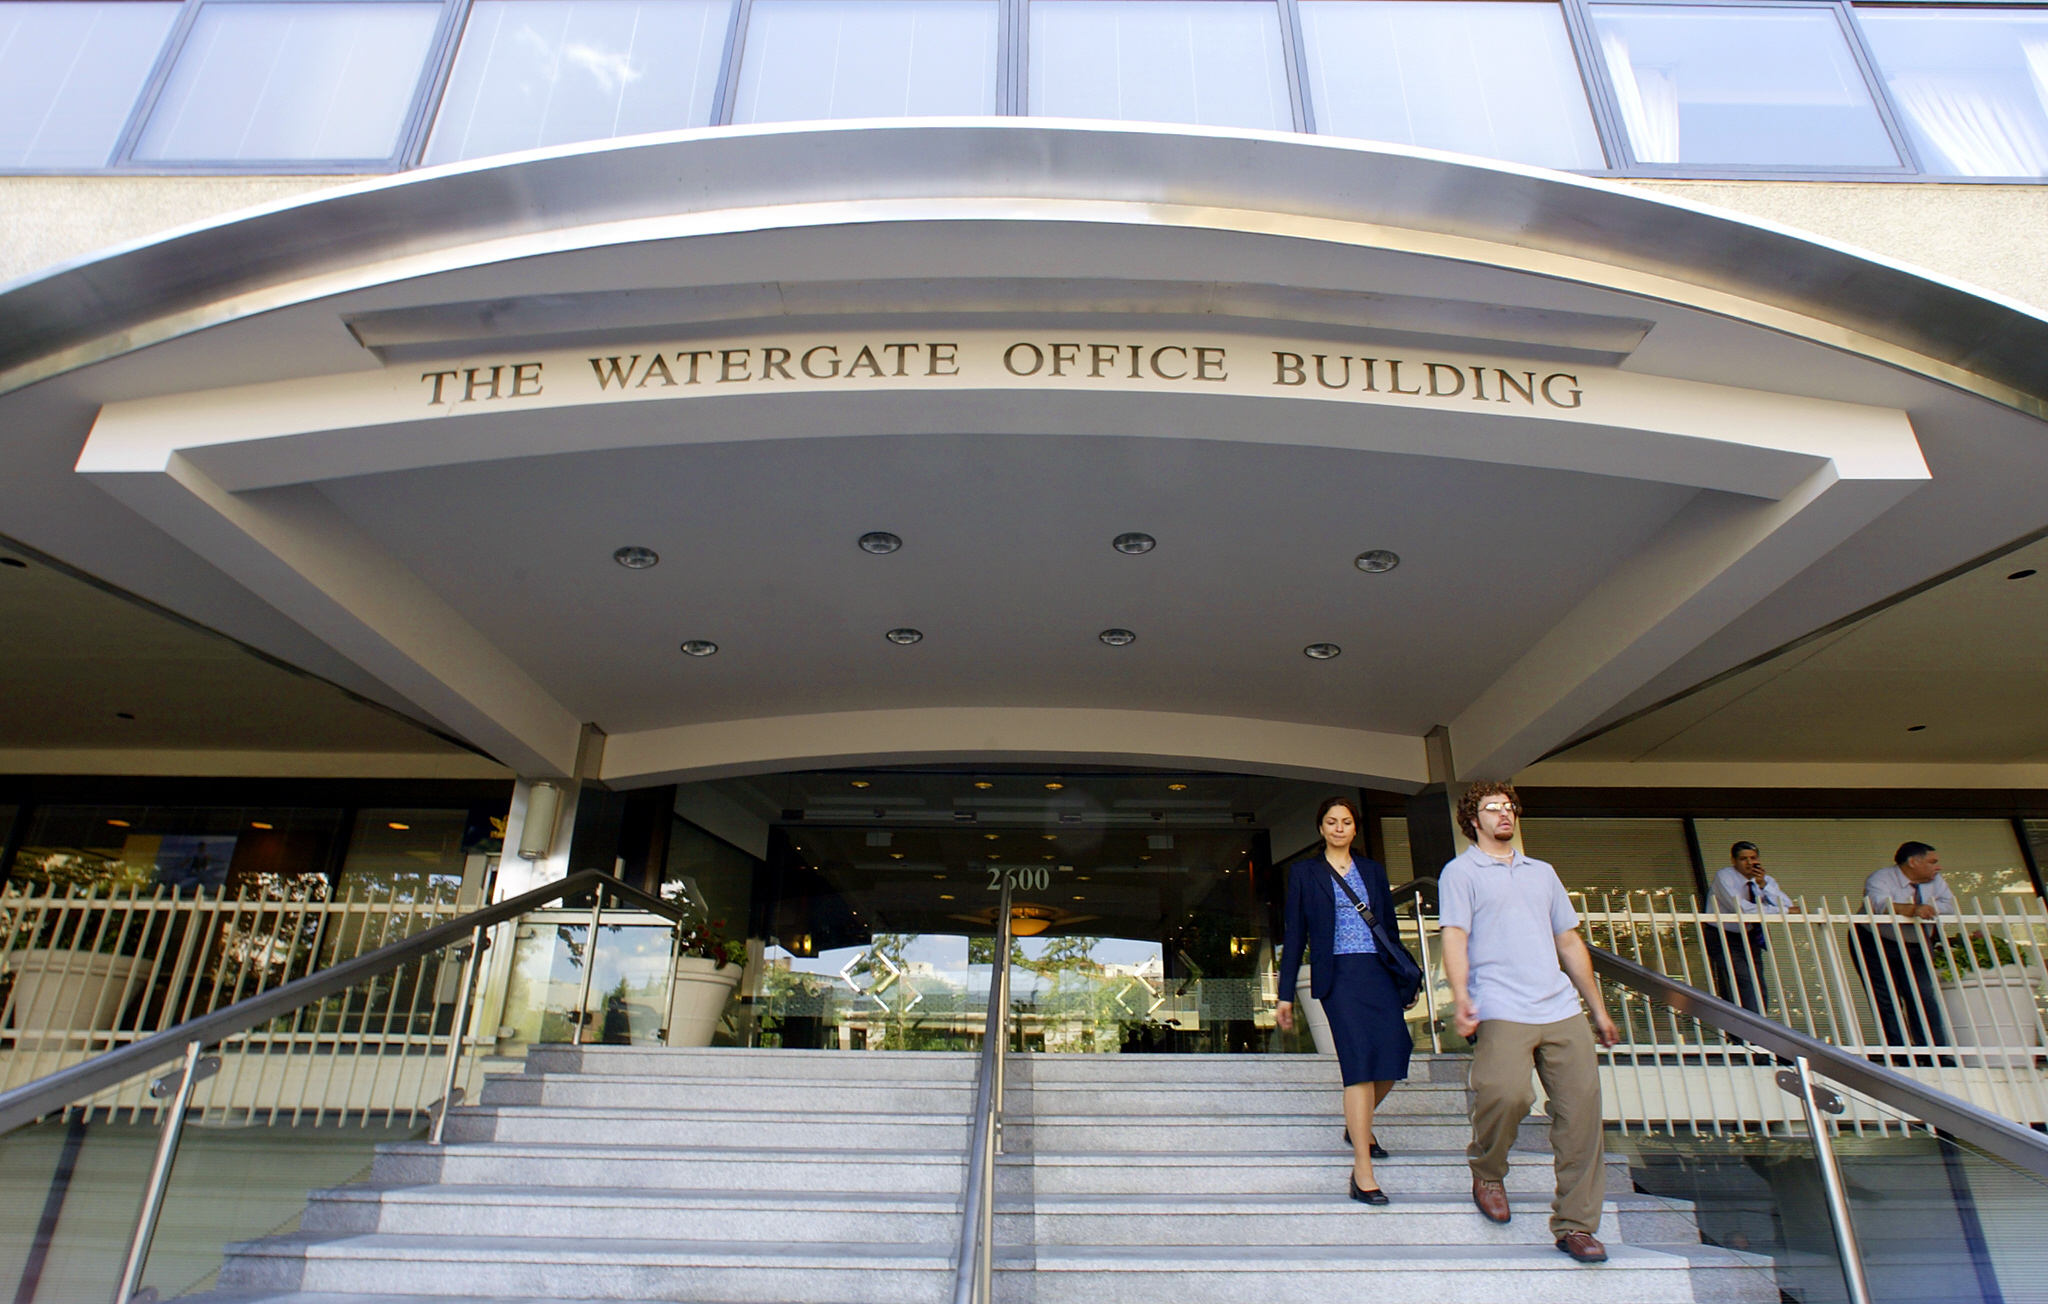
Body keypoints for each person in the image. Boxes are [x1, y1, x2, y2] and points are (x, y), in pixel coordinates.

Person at [1440, 782, 1620, 1264]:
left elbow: (1569, 942)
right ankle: (1488, 1168)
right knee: (1505, 1093)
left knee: (1581, 1117)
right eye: (1492, 808)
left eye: (1509, 806)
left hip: (1560, 1008)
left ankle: (1575, 1226)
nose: (1504, 814)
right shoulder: (1461, 873)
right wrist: (1461, 997)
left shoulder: (1542, 873)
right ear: (1472, 820)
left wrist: (1596, 1009)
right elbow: (1454, 937)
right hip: (1500, 1004)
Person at [1276, 795, 1411, 1206]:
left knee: (1396, 1054)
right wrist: (1284, 995)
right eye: (1331, 821)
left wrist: (1401, 974)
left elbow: (1388, 927)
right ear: (1321, 828)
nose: (1339, 828)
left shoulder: (1372, 870)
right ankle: (1362, 1172)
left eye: (1346, 822)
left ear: (1355, 829)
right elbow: (1296, 934)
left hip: (1376, 973)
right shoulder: (1304, 873)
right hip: (1337, 977)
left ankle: (1357, 1124)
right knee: (1359, 1067)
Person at [1853, 841, 1957, 1059]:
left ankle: (1933, 1054)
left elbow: (1949, 904)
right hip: (1877, 939)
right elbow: (1878, 904)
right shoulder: (1881, 878)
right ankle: (1899, 1053)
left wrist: (1928, 908)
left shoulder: (1936, 881)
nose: (1938, 868)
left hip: (1917, 941)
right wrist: (1913, 909)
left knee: (1923, 995)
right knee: (1885, 997)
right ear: (1913, 862)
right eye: (1932, 862)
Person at [1703, 841, 1797, 1020]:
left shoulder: (1765, 879)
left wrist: (1762, 885)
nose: (1749, 863)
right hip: (1723, 936)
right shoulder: (1725, 876)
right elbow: (1741, 908)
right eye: (1743, 859)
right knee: (1743, 979)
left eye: (1753, 858)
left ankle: (1761, 1024)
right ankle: (1746, 1033)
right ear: (1734, 860)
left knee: (1758, 981)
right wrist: (1783, 910)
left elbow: (1787, 905)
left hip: (1750, 936)